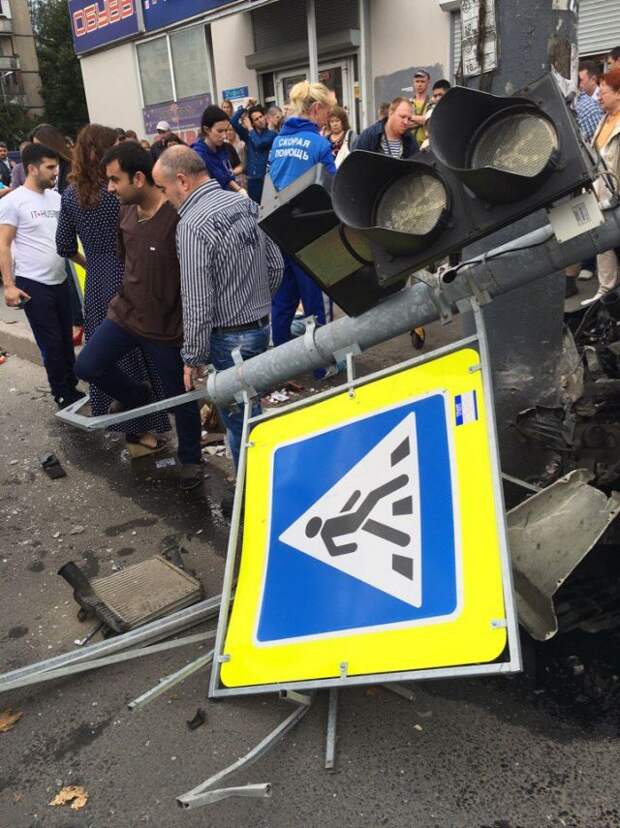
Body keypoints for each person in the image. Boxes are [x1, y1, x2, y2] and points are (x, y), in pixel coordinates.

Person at [74, 142, 203, 490]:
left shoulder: (177, 217)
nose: (110, 188)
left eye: (115, 180)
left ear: (140, 178)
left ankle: (191, 459)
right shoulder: (126, 212)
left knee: (180, 397)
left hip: (166, 328)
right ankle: (137, 396)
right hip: (126, 315)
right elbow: (126, 259)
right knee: (87, 366)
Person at [153, 145, 284, 469]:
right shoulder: (245, 204)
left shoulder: (192, 224)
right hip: (259, 327)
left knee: (242, 424)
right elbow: (276, 266)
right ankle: (263, 479)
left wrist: (192, 357)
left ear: (181, 181)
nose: (164, 197)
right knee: (253, 414)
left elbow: (198, 300)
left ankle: (252, 491)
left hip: (229, 340)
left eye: (163, 188)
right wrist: (254, 302)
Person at [56, 124, 171, 457]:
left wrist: (90, 263)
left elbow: (63, 245)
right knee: (140, 354)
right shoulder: (118, 193)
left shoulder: (70, 195)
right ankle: (140, 432)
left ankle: (131, 427)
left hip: (96, 282)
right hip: (128, 272)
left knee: (109, 359)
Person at [0, 143, 86, 408]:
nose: (55, 172)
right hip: (32, 284)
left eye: (56, 167)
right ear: (32, 169)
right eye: (50, 167)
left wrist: (87, 264)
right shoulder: (13, 201)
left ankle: (71, 388)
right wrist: (9, 285)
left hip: (61, 280)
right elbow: (3, 244)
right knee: (52, 343)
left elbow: (65, 242)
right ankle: (62, 393)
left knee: (66, 340)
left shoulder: (57, 199)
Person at [267, 80, 336, 349]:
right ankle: (322, 364)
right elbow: (334, 187)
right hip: (310, 235)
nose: (328, 118)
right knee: (315, 303)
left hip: (279, 231)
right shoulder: (319, 144)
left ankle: (282, 362)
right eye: (327, 112)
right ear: (316, 108)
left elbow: (270, 183)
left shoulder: (277, 142)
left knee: (283, 302)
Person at [31, 122, 84, 342]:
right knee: (68, 278)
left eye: (39, 145)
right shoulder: (44, 170)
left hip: (76, 230)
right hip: (55, 229)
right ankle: (77, 321)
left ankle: (80, 321)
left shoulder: (71, 166)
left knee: (76, 278)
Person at [582, 68, 620, 306]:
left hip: (616, 194)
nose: (598, 98)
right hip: (601, 192)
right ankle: (606, 291)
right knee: (603, 244)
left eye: (603, 92)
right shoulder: (605, 120)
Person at [191, 105, 245, 194]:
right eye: (219, 131)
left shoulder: (221, 147)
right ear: (206, 129)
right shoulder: (198, 156)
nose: (224, 136)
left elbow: (226, 176)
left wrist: (239, 190)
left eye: (226, 130)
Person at [230, 101, 277, 202]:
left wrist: (250, 128)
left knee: (268, 206)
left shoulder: (272, 134)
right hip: (251, 179)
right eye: (256, 119)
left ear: (265, 117)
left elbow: (259, 144)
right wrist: (245, 106)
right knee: (255, 207)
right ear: (253, 123)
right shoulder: (247, 134)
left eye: (261, 117)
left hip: (265, 179)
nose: (260, 120)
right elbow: (233, 121)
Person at [410, 69, 431, 146]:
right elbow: (405, 124)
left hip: (426, 146)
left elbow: (431, 122)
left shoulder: (432, 103)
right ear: (413, 83)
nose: (419, 84)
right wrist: (424, 119)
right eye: (417, 81)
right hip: (411, 145)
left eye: (422, 81)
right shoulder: (408, 103)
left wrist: (410, 117)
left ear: (428, 82)